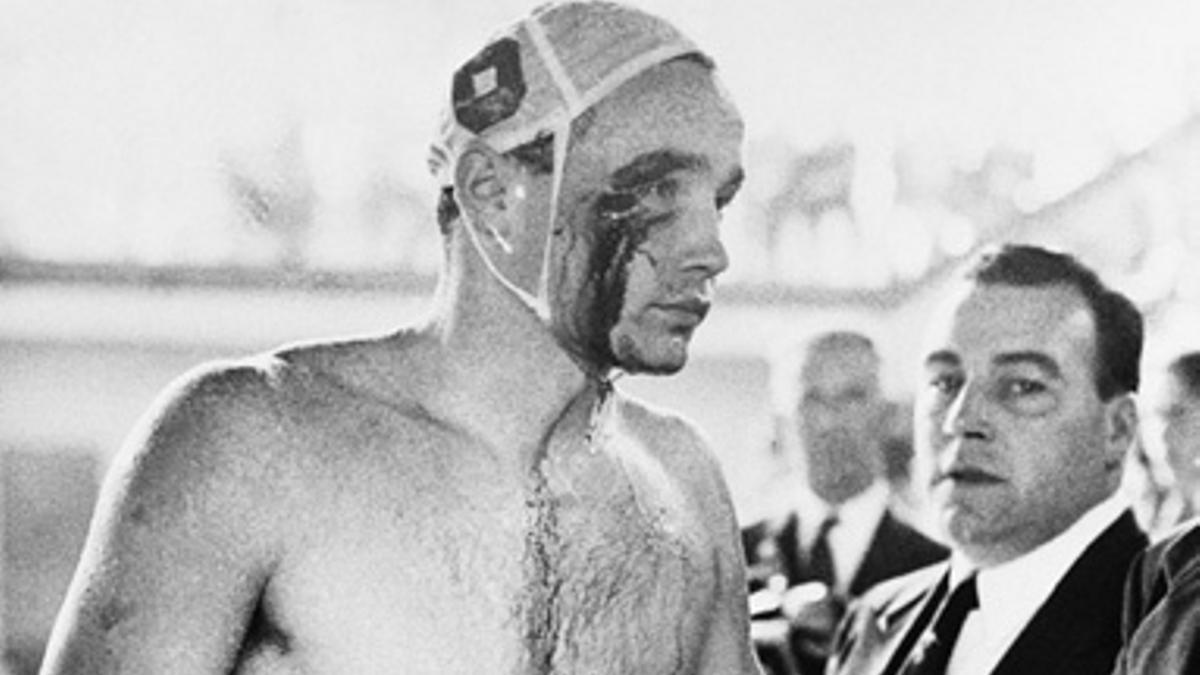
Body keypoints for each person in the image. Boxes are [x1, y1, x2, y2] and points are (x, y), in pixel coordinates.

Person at [39, 3, 759, 673]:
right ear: (490, 192)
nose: (711, 249)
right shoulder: (250, 443)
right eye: (658, 190)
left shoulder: (682, 481)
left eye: (718, 200)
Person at [827, 243, 1148, 675]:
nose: (961, 419)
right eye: (944, 382)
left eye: (1022, 386)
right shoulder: (875, 621)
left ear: (1118, 430)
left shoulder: (1167, 630)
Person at [741, 331, 947, 675]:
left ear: (890, 415)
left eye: (852, 397)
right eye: (811, 399)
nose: (830, 422)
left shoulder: (937, 568)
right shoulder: (731, 555)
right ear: (781, 420)